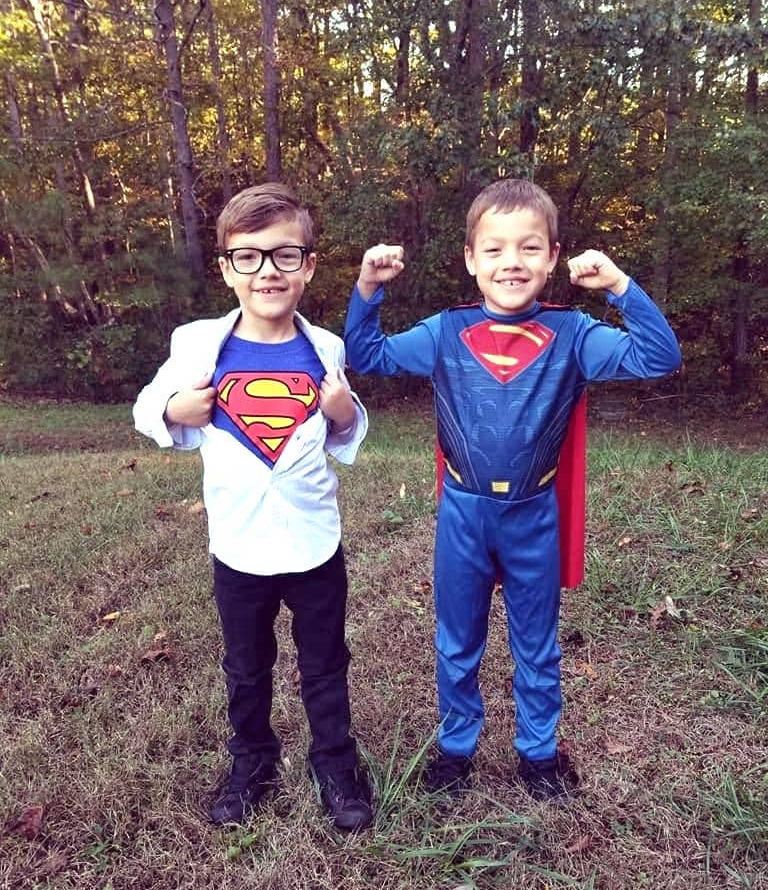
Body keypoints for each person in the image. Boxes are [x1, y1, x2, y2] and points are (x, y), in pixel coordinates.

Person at [344, 177, 681, 801]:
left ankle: (538, 753)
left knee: (536, 640)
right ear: (471, 259)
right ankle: (455, 749)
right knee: (458, 640)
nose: (512, 263)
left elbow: (658, 357)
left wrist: (618, 287)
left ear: (553, 257)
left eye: (529, 248)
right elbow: (364, 353)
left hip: (534, 514)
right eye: (494, 249)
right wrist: (368, 287)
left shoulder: (574, 334)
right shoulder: (445, 331)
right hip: (464, 514)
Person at [133, 183, 373, 830]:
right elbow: (146, 410)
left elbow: (344, 430)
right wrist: (172, 412)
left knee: (325, 662)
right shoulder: (196, 344)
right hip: (237, 544)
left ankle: (335, 760)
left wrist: (345, 415)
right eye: (249, 257)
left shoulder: (326, 348)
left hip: (312, 539)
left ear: (309, 266)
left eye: (284, 255)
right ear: (226, 269)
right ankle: (253, 760)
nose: (267, 270)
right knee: (245, 665)